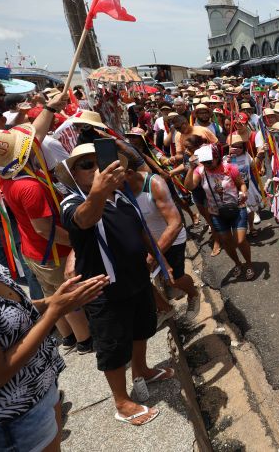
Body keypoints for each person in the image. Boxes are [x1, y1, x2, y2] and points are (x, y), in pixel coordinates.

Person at [58, 144, 169, 426]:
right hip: (105, 290)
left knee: (141, 327)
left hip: (136, 279)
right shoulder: (73, 203)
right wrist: (97, 191)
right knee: (113, 345)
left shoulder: (121, 196)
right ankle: (121, 401)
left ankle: (142, 369)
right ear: (73, 173)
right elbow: (83, 220)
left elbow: (141, 228)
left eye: (100, 161)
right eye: (86, 164)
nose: (96, 168)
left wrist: (157, 256)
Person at [0, 257, 108, 452]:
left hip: (41, 390)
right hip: (16, 417)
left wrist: (53, 301)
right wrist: (54, 312)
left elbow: (12, 308)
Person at [0, 126, 94, 355]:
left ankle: (69, 337)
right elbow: (43, 229)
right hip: (51, 251)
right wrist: (76, 241)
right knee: (69, 297)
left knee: (52, 294)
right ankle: (85, 341)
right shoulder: (29, 186)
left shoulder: (5, 177)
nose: (33, 146)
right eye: (27, 146)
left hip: (33, 250)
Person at [125, 167, 200, 322]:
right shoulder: (118, 191)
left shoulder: (154, 185)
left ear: (129, 173)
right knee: (139, 279)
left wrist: (155, 256)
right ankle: (165, 309)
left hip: (172, 239)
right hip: (148, 241)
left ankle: (193, 293)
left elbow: (175, 223)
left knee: (174, 279)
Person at [185, 144, 254, 280]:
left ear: (216, 157)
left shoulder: (229, 168)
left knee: (240, 240)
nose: (207, 165)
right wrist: (191, 168)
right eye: (204, 162)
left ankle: (249, 264)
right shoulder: (200, 170)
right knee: (226, 241)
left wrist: (244, 192)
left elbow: (241, 183)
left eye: (209, 161)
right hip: (216, 213)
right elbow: (189, 186)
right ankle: (238, 264)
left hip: (237, 208)